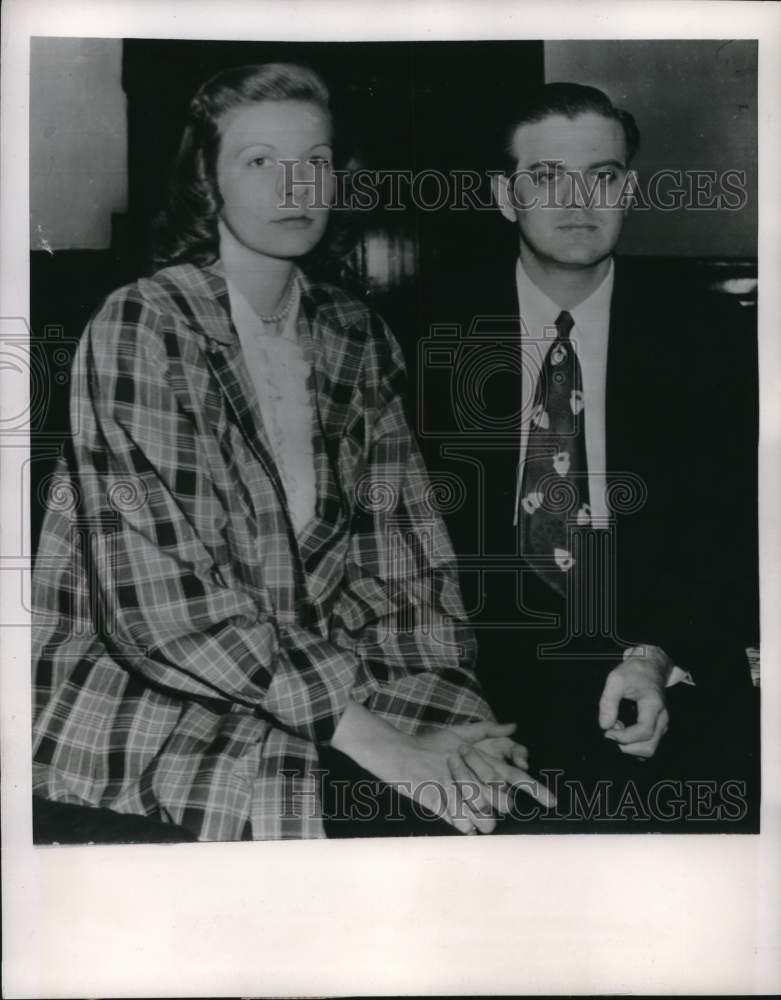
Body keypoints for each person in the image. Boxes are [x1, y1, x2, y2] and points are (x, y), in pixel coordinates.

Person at [31, 63, 554, 842]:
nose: (297, 186)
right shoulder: (143, 323)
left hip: (319, 675)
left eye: (315, 161)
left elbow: (405, 564)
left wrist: (450, 712)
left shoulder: (356, 334)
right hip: (152, 690)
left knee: (488, 795)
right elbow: (164, 613)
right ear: (207, 183)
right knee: (346, 829)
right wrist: (385, 746)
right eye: (259, 161)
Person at [425, 82, 759, 828]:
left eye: (602, 175)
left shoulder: (709, 339)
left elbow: (736, 534)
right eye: (546, 176)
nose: (579, 198)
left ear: (628, 189)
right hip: (481, 656)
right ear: (504, 196)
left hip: (660, 638)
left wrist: (654, 653)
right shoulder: (427, 330)